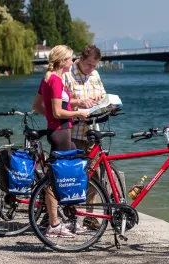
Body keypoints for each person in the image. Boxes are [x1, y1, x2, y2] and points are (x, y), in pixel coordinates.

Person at [32, 45, 89, 237]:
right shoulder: (55, 80)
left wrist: (77, 103)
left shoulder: (49, 78)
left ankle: (70, 219)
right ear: (63, 61)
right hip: (61, 131)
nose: (73, 62)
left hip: (58, 130)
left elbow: (38, 105)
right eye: (71, 59)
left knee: (67, 173)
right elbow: (57, 111)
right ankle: (54, 223)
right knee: (57, 179)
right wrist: (78, 113)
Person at [63, 45, 108, 230]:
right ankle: (70, 213)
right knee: (71, 174)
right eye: (88, 64)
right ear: (80, 58)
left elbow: (103, 94)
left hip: (92, 132)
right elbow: (59, 102)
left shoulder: (95, 75)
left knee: (95, 175)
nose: (91, 68)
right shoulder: (67, 74)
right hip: (72, 132)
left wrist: (102, 101)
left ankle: (90, 215)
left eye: (94, 65)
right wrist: (79, 103)